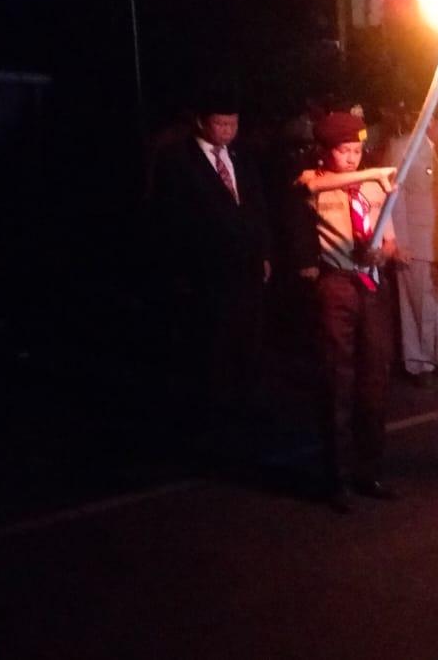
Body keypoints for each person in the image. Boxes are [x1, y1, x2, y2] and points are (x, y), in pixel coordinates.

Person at [291, 112, 399, 511]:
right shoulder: (314, 181)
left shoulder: (373, 185)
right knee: (338, 379)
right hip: (336, 286)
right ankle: (336, 478)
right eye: (344, 150)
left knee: (375, 380)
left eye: (357, 150)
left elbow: (390, 241)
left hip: (370, 285)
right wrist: (376, 175)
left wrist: (382, 253)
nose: (353, 158)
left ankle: (368, 471)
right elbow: (317, 184)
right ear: (327, 151)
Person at [146, 92, 272, 424]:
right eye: (220, 123)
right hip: (207, 268)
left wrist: (263, 252)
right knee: (212, 339)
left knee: (249, 335)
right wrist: (181, 268)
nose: (228, 130)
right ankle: (211, 408)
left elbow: (257, 206)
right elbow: (171, 216)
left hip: (246, 265)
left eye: (233, 123)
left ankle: (247, 401)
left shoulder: (242, 157)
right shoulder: (178, 160)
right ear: (202, 122)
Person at [384, 94, 438, 384]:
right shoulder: (403, 148)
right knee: (416, 304)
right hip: (417, 240)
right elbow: (396, 199)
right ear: (431, 121)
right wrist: (400, 242)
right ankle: (418, 362)